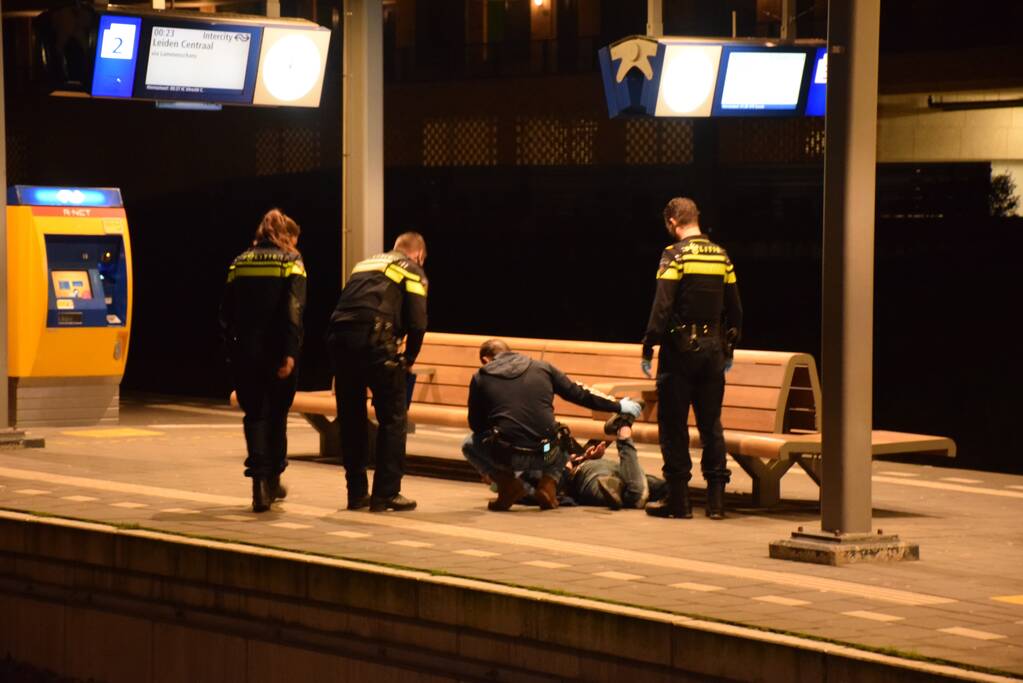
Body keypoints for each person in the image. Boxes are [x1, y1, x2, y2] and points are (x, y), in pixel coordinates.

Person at [641, 197, 742, 520]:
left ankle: (679, 501)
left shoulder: (675, 255)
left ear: (673, 222)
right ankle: (716, 503)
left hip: (680, 351)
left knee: (673, 425)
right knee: (711, 425)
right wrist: (730, 347)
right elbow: (735, 308)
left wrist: (649, 345)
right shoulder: (721, 256)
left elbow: (662, 306)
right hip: (714, 350)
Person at [462, 338, 642, 511]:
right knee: (560, 433)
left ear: (485, 359)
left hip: (509, 456)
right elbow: (578, 394)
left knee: (470, 444)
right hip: (547, 454)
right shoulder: (542, 368)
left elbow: (476, 426)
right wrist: (618, 406)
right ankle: (548, 483)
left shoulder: (481, 377)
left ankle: (508, 484)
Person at [327, 232, 428, 512]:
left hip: (339, 341)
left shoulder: (365, 264)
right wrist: (409, 358)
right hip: (376, 343)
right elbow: (418, 321)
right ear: (418, 254)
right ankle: (386, 493)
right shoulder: (411, 269)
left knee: (351, 419)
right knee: (393, 419)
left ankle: (356, 493)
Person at [220, 208, 307, 512]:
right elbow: (294, 312)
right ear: (287, 237)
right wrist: (290, 353)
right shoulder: (291, 263)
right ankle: (272, 478)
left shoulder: (239, 261)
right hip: (276, 351)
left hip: (244, 351)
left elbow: (226, 312)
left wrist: (234, 345)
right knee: (277, 416)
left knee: (254, 415)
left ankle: (258, 485)